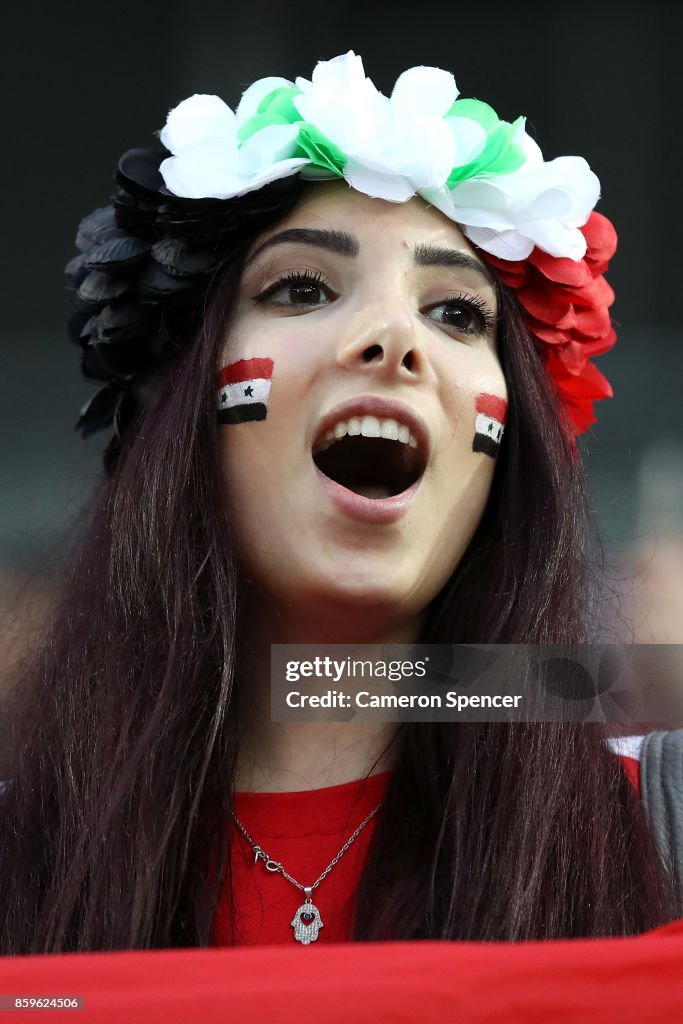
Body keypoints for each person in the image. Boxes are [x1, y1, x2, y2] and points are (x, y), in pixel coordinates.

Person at [0, 52, 677, 954]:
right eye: (303, 288)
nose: (394, 337)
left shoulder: (658, 820)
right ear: (179, 407)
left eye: (458, 315)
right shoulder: (24, 863)